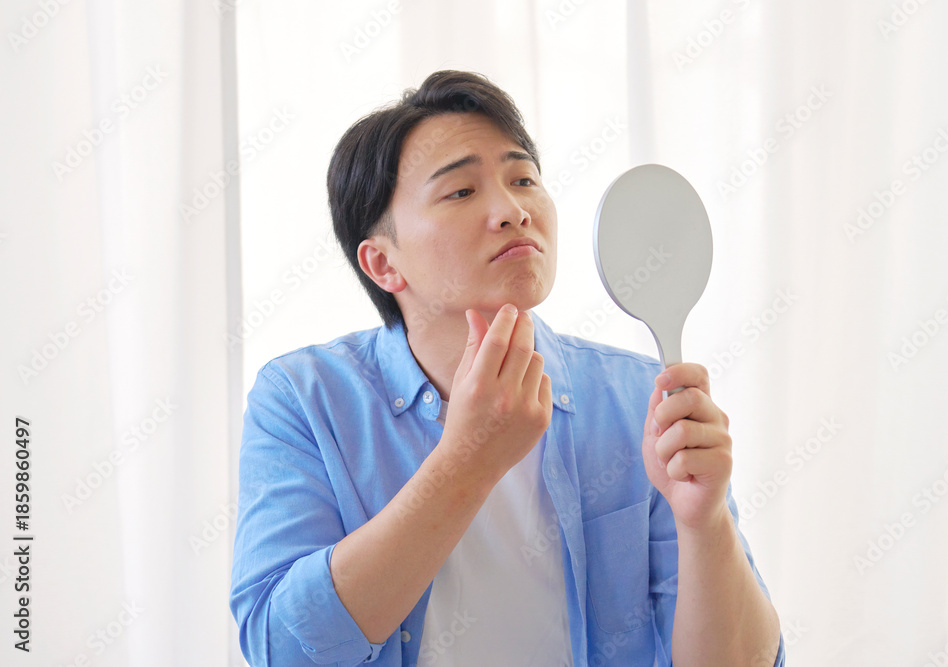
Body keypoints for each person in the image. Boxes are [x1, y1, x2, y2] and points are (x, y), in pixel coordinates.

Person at [229, 69, 785, 667]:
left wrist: (704, 524)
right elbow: (283, 650)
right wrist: (467, 461)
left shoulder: (636, 399)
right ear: (383, 263)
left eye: (523, 179)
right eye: (461, 191)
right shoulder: (303, 399)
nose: (513, 210)